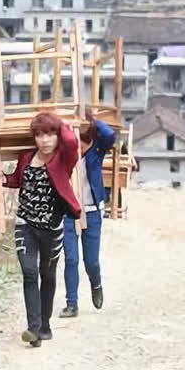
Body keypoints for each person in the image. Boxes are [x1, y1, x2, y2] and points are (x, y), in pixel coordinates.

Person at [0, 113, 81, 347]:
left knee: (47, 275)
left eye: (50, 134)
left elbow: (72, 142)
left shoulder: (64, 159)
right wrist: (2, 178)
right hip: (25, 225)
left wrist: (63, 125)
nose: (44, 140)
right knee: (29, 273)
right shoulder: (26, 157)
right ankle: (33, 328)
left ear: (57, 136)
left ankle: (44, 325)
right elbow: (17, 180)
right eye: (39, 135)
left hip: (52, 228)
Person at [59, 108, 116, 317]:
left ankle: (96, 283)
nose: (81, 147)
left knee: (90, 261)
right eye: (78, 142)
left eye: (85, 143)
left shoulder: (97, 151)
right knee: (71, 259)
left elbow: (109, 134)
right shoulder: (64, 153)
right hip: (68, 212)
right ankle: (71, 303)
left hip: (92, 212)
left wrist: (92, 120)